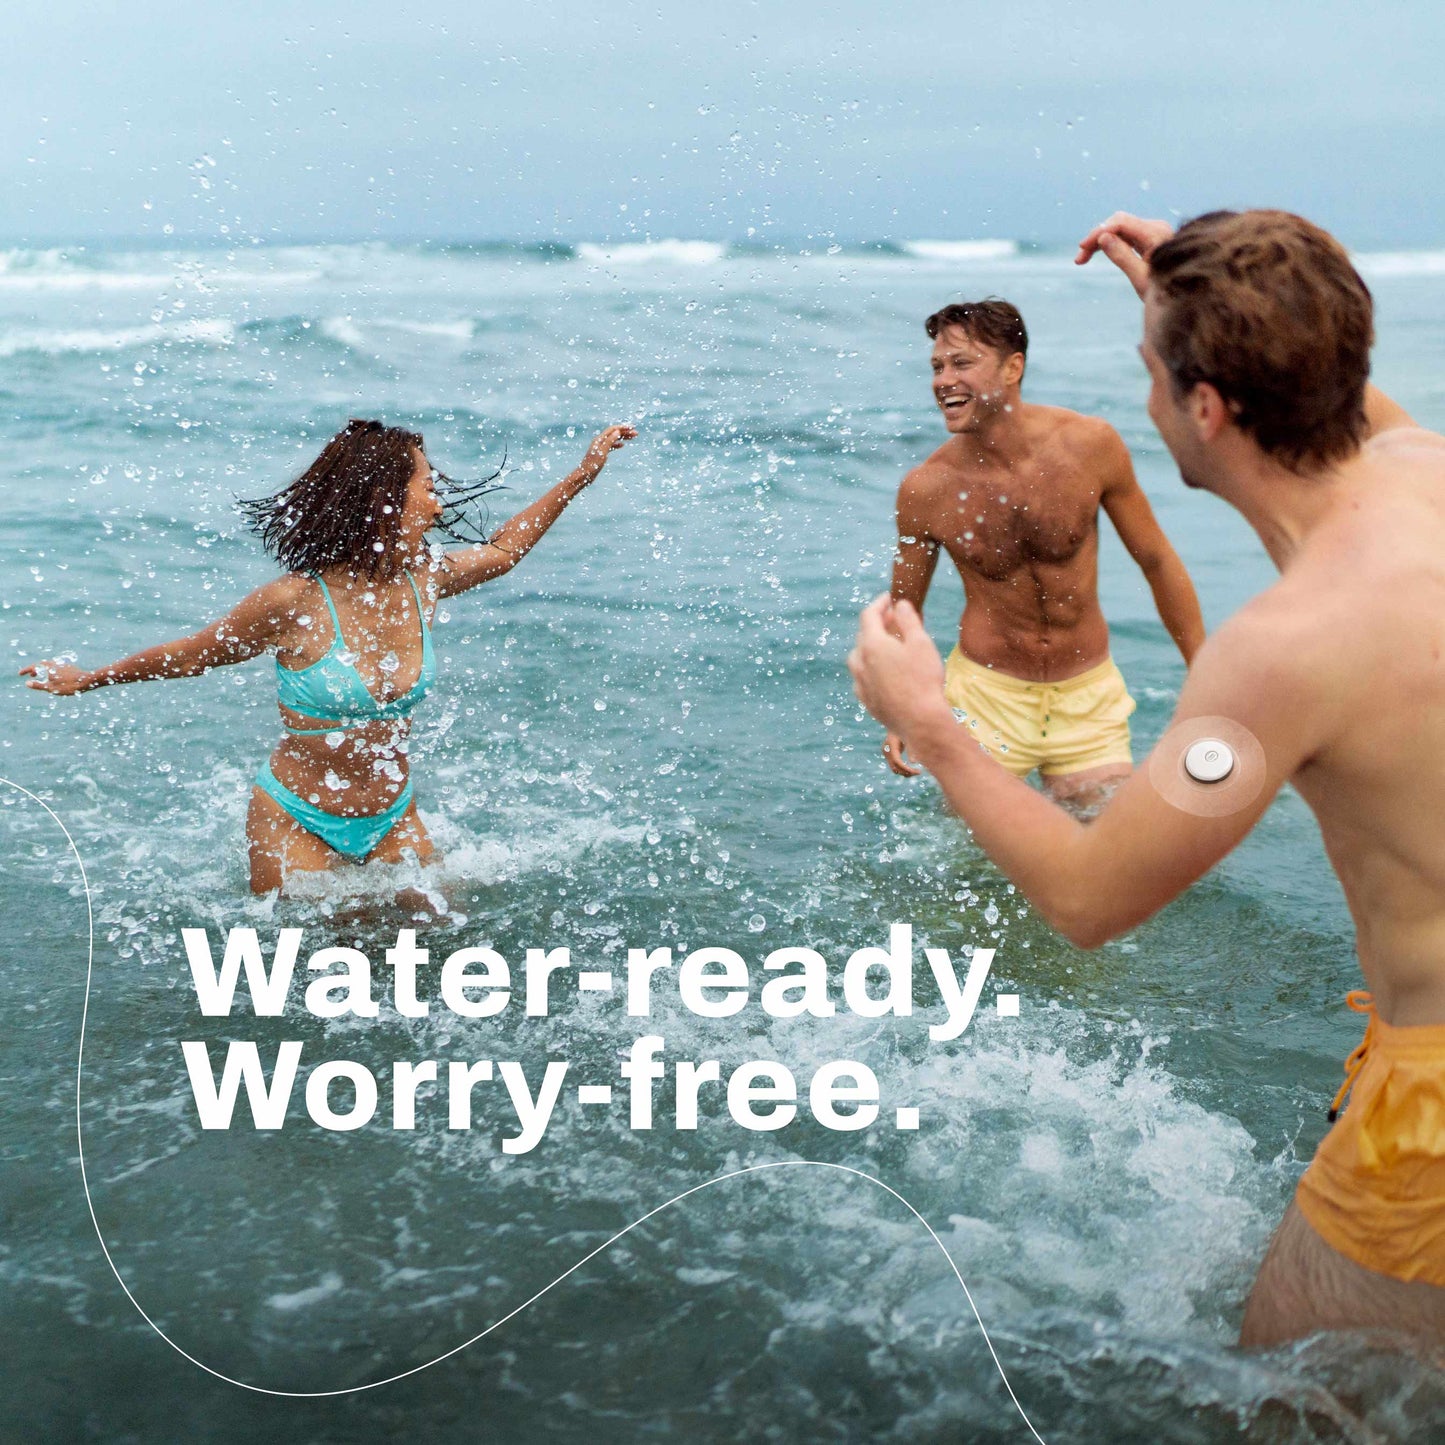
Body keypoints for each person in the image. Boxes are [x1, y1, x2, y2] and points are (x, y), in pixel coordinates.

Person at [849, 209, 1445, 1345]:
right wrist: (1190, 297)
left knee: (1295, 1400)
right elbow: (1319, 370)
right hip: (1402, 1038)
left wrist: (927, 722)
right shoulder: (1417, 466)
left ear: (1204, 407)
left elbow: (1086, 898)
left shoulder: (1280, 649)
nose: (1144, 397)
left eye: (1153, 374)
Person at [22, 418, 636, 894]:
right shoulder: (295, 602)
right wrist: (87, 680)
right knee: (296, 980)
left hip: (393, 815)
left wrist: (584, 473)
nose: (440, 501)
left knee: (443, 945)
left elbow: (505, 550)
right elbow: (192, 655)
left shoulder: (425, 578)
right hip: (295, 818)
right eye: (426, 484)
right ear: (384, 499)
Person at [883, 297, 1205, 808]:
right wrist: (903, 707)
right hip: (985, 700)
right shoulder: (927, 489)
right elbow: (903, 612)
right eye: (937, 367)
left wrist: (1203, 671)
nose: (943, 380)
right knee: (976, 870)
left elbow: (1156, 561)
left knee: (1108, 851)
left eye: (962, 363)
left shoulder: (1090, 446)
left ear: (1014, 367)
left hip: (1086, 697)